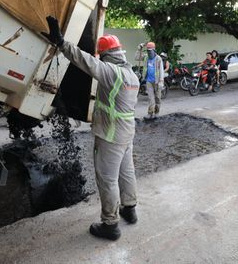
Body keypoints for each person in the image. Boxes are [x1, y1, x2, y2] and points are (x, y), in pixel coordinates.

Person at [46, 16, 139, 241]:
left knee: (107, 179)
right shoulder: (131, 74)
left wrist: (61, 42)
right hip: (127, 133)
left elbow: (85, 61)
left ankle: (110, 224)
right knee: (126, 173)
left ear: (106, 55)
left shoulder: (111, 72)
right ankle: (130, 209)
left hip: (110, 135)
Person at [136, 42, 164, 120]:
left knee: (158, 98)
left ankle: (157, 113)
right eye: (147, 51)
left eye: (150, 51)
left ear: (154, 50)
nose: (148, 52)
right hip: (149, 81)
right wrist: (139, 49)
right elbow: (137, 58)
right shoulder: (146, 57)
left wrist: (161, 81)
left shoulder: (158, 58)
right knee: (151, 98)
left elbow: (161, 70)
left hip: (157, 82)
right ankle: (150, 113)